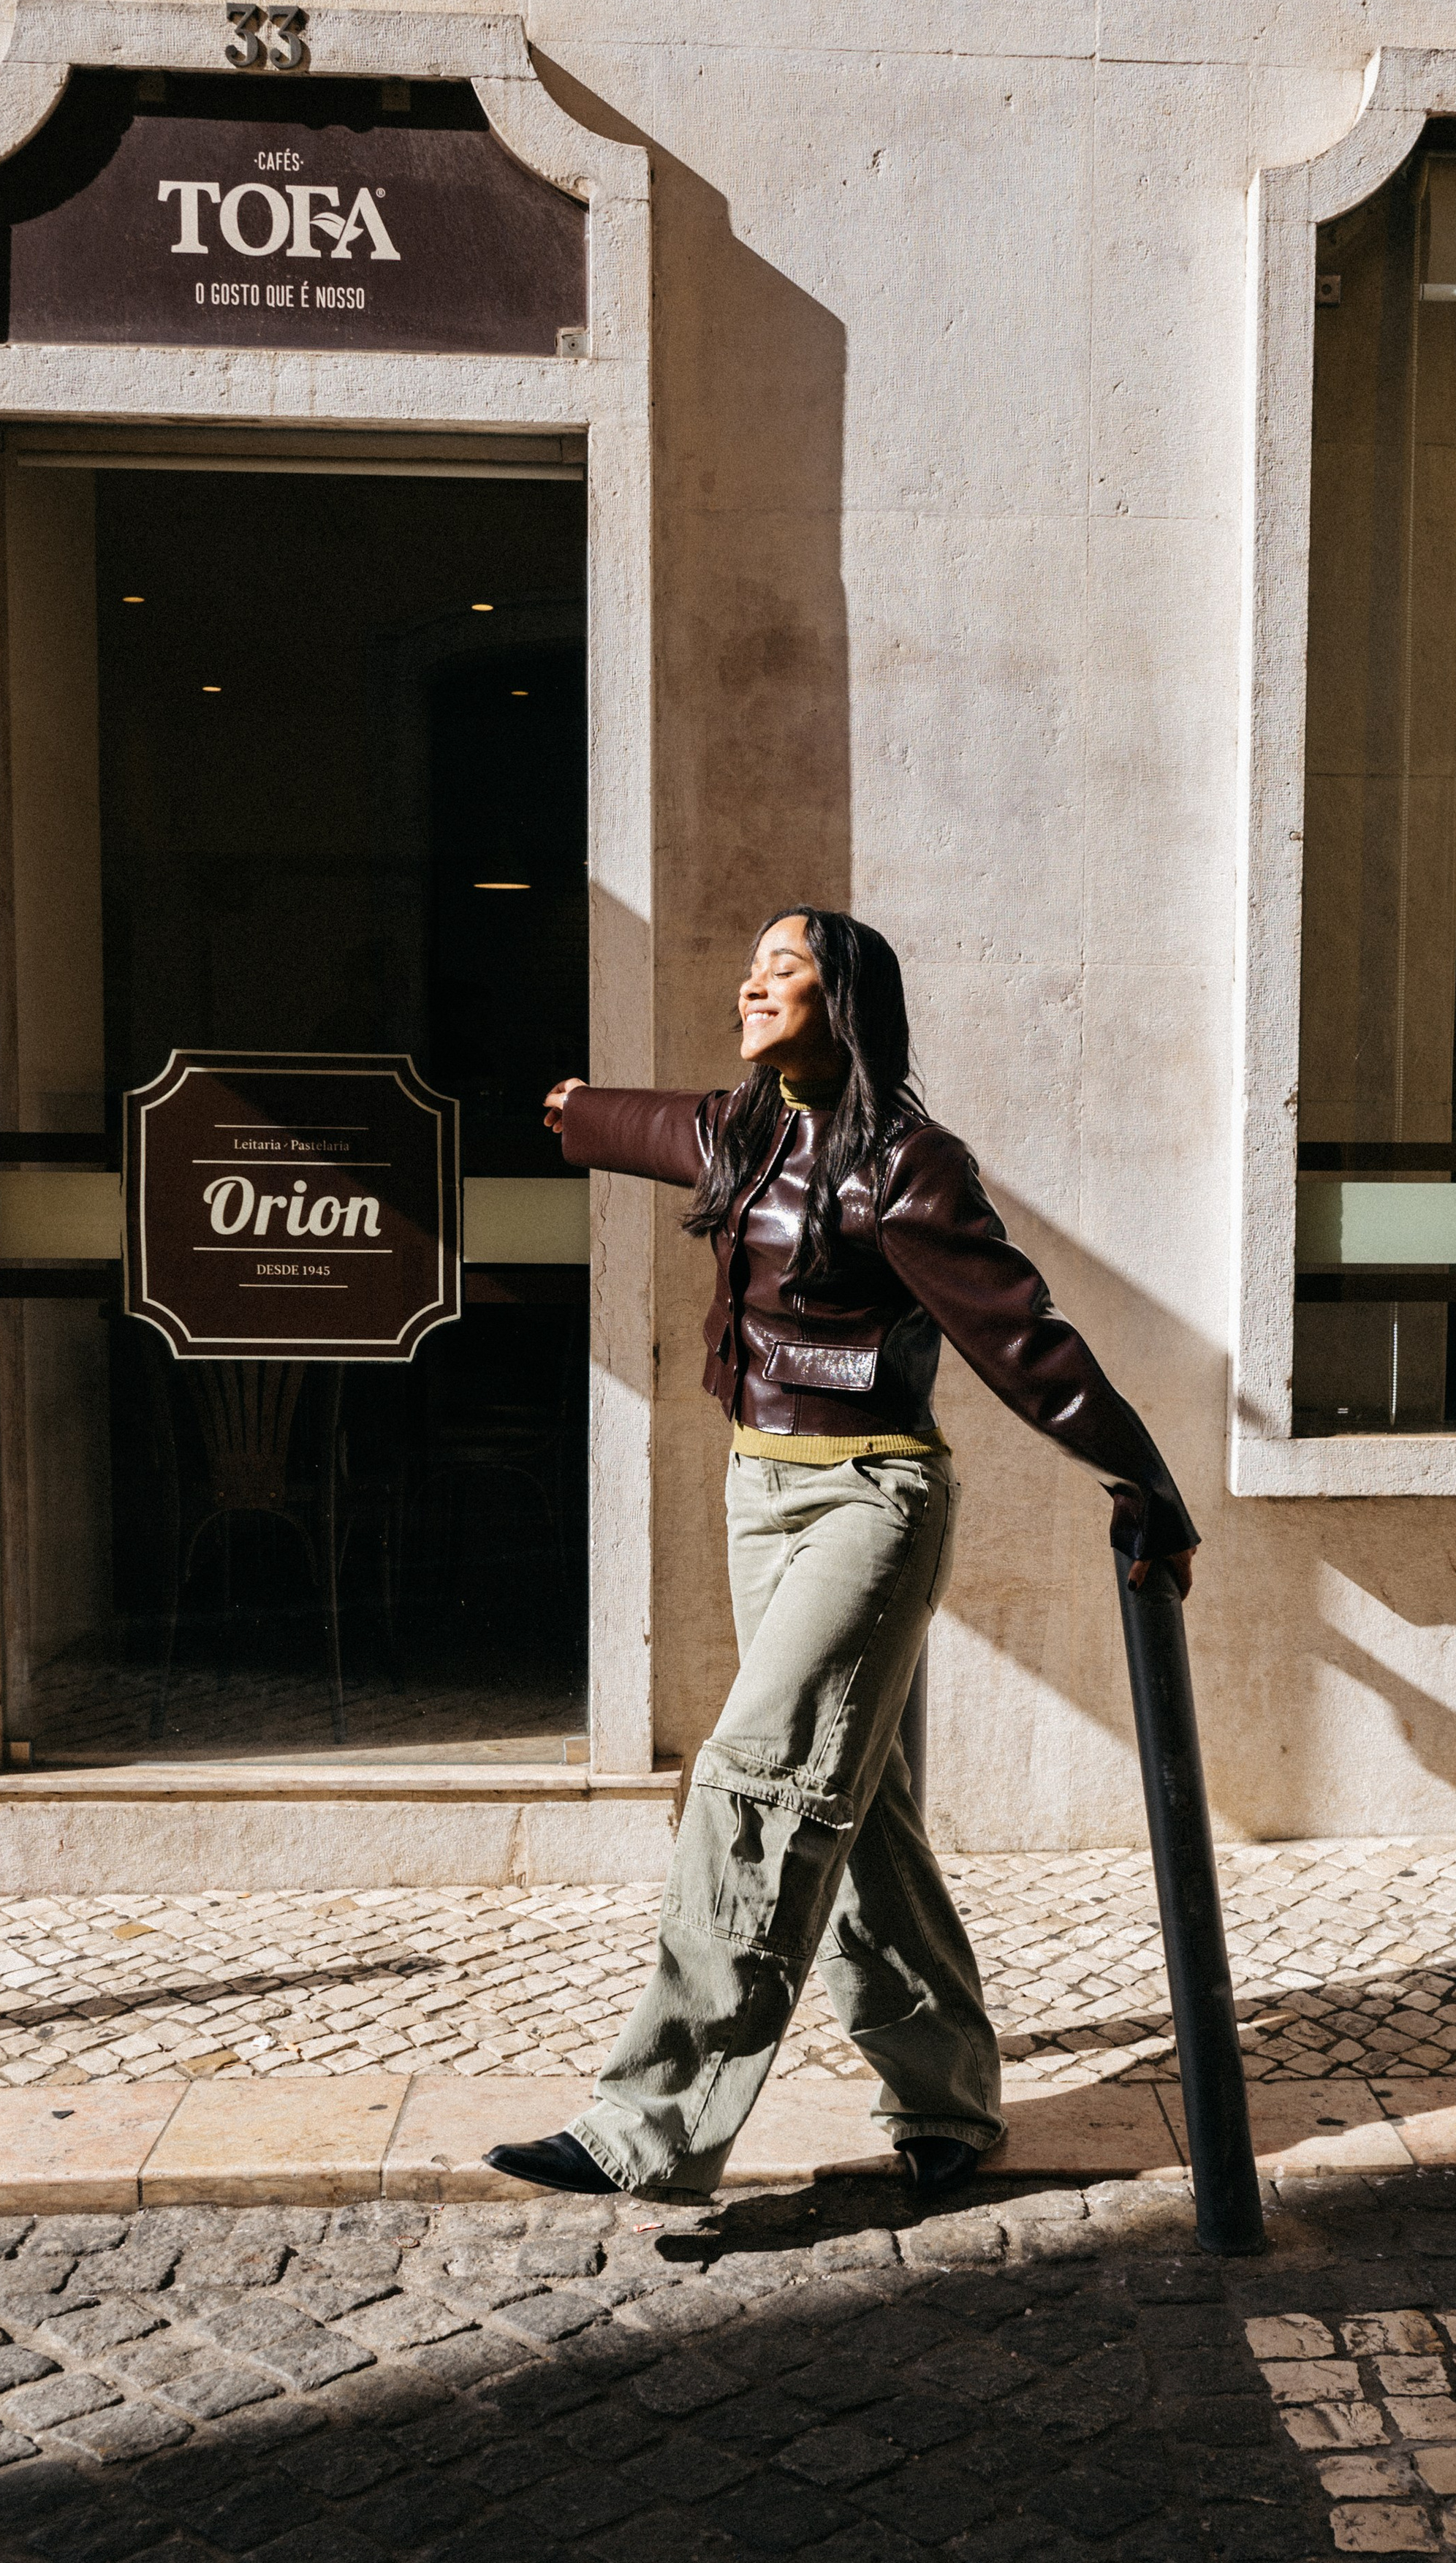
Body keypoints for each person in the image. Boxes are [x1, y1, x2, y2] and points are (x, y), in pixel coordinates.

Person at [483, 906, 1199, 2203]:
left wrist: (1143, 1479)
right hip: (759, 1491)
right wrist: (579, 1108)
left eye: (786, 968)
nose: (753, 983)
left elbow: (1020, 1338)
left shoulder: (913, 1167)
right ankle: (948, 2093)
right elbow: (643, 1126)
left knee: (758, 1785)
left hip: (874, 1499)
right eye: (749, 963)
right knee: (854, 1802)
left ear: (845, 1002)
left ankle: (652, 2124)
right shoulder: (739, 1131)